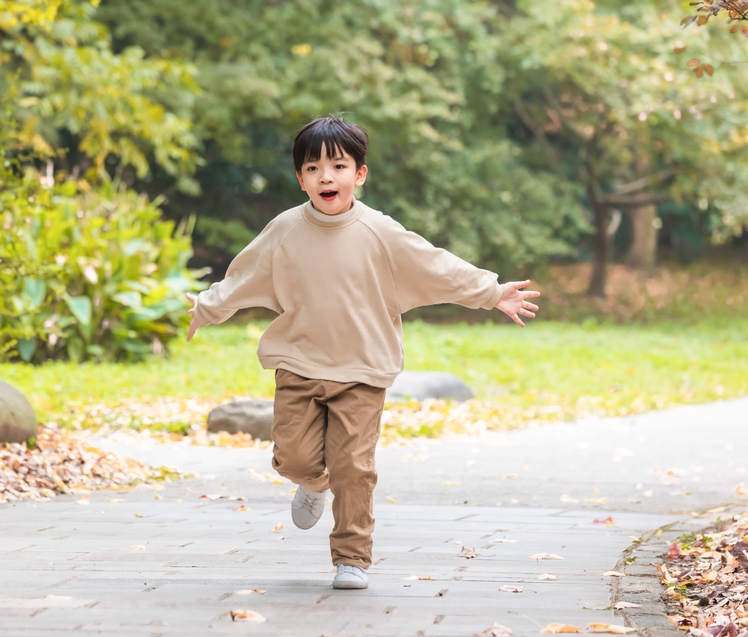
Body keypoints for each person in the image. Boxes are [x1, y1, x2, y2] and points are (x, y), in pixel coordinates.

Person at [184, 115, 540, 590]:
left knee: (354, 466)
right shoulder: (285, 229)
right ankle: (311, 484)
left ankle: (352, 558)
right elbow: (244, 273)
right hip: (299, 361)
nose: (325, 177)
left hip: (363, 369)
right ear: (300, 178)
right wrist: (208, 306)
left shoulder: (380, 231)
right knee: (291, 458)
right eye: (313, 168)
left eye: (337, 165)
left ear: (360, 174)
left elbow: (435, 264)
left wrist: (492, 292)